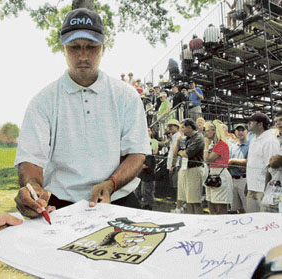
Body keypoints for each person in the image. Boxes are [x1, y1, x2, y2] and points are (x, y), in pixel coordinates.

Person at [14, 8, 151, 218]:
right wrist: (33, 189)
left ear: (103, 48)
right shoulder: (43, 101)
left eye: (91, 47)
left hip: (118, 199)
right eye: (74, 47)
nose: (83, 56)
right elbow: (30, 160)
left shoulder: (126, 96)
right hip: (60, 206)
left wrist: (111, 184)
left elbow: (137, 154)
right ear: (63, 48)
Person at [246, 113, 280, 213]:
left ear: (260, 124)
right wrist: (248, 185)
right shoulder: (254, 139)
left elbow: (271, 168)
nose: (248, 124)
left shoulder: (269, 140)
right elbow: (252, 163)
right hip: (252, 188)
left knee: (265, 222)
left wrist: (267, 191)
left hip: (263, 189)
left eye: (251, 122)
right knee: (252, 219)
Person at [173, 118, 205, 214]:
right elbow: (175, 154)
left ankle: (199, 220)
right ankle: (191, 218)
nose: (181, 130)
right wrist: (178, 144)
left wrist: (181, 152)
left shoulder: (198, 138)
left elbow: (186, 154)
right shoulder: (184, 139)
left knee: (195, 200)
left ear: (189, 127)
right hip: (184, 168)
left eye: (183, 127)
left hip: (194, 169)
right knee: (187, 200)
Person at [204, 120, 233, 214]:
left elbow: (208, 159)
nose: (206, 132)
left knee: (220, 205)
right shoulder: (213, 145)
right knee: (210, 202)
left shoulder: (221, 145)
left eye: (208, 130)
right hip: (212, 173)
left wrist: (205, 146)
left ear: (215, 131)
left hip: (220, 174)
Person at [228, 123, 250, 213]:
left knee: (247, 208)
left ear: (247, 132)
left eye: (242, 130)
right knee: (236, 208)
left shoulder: (251, 145)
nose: (240, 132)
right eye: (238, 130)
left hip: (245, 180)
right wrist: (239, 163)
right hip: (232, 180)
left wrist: (233, 161)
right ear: (235, 132)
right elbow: (227, 163)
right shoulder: (232, 147)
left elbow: (249, 162)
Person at [165, 119, 182, 212]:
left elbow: (176, 153)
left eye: (172, 125)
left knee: (177, 185)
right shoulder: (173, 137)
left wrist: (173, 165)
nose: (170, 127)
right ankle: (178, 203)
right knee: (174, 185)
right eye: (169, 126)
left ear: (177, 127)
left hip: (176, 165)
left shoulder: (178, 137)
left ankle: (180, 205)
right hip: (172, 164)